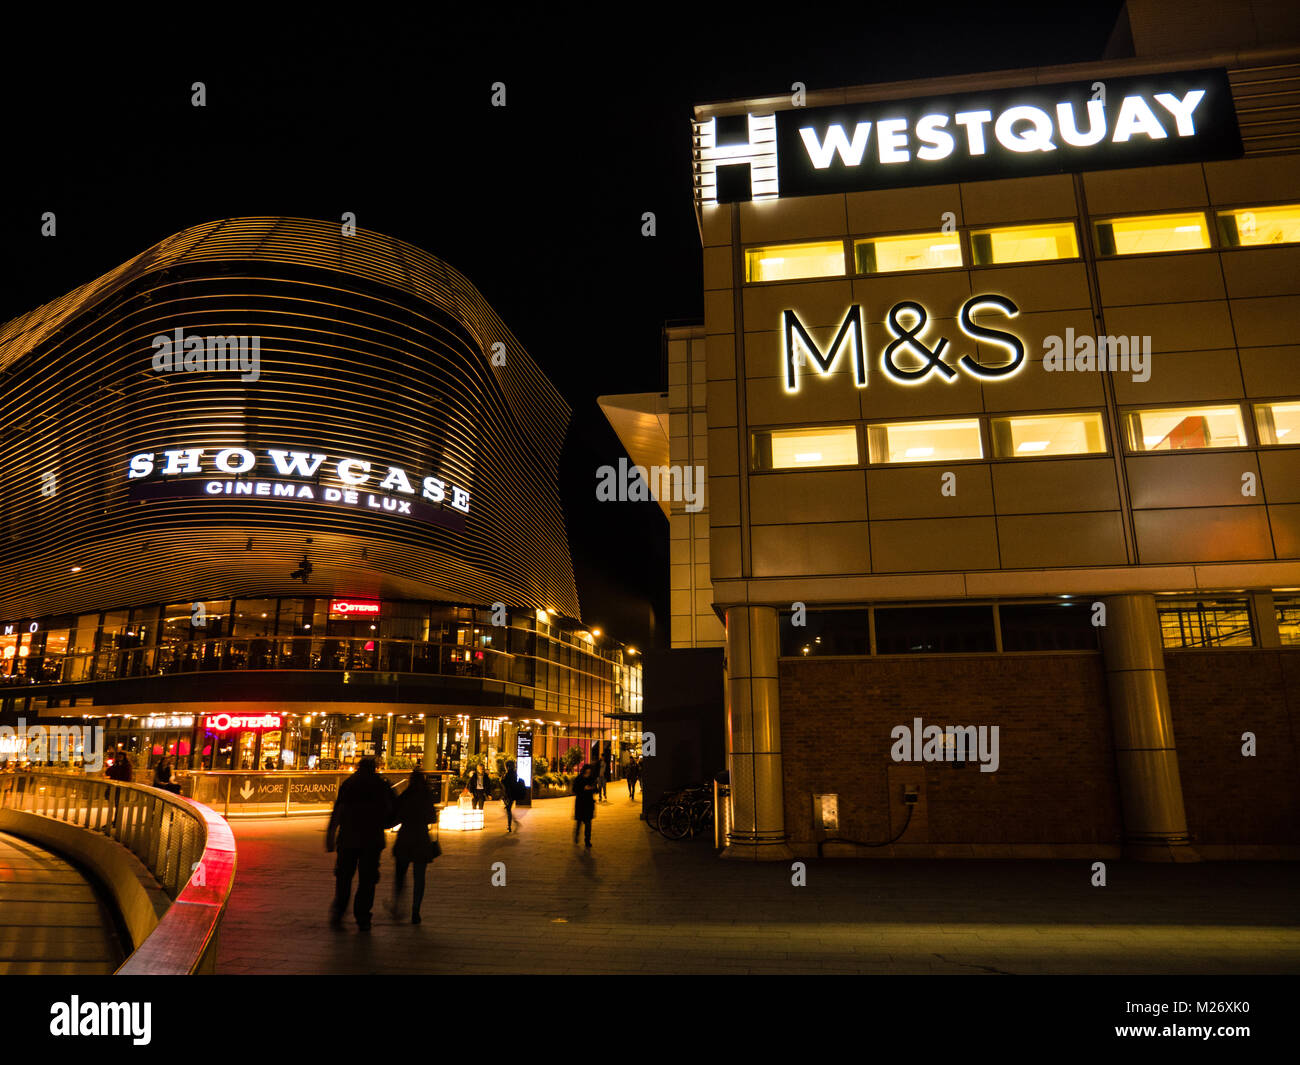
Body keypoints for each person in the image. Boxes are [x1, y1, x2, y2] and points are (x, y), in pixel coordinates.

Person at [325, 758, 397, 931]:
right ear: (374, 768)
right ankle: (363, 916)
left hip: (348, 839)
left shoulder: (349, 784)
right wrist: (384, 824)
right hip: (372, 840)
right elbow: (393, 809)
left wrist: (330, 835)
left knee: (344, 878)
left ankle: (339, 912)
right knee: (367, 880)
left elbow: (338, 810)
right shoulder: (381, 784)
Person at [387, 770, 438, 924]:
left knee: (400, 875)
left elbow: (396, 817)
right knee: (419, 877)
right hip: (421, 839)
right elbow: (432, 818)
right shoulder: (426, 797)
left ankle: (397, 905)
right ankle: (416, 911)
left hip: (405, 838)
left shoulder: (406, 796)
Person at [573, 763, 598, 848]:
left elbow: (596, 789)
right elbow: (574, 789)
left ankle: (587, 840)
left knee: (588, 824)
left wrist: (592, 788)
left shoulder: (592, 779)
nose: (588, 774)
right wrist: (583, 788)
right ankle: (576, 836)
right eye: (586, 772)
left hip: (589, 804)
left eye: (589, 772)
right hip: (580, 803)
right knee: (579, 823)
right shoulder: (579, 779)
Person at [502, 759, 521, 833]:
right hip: (513, 794)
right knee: (508, 809)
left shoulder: (508, 773)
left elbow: (505, 783)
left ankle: (510, 825)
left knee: (508, 810)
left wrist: (502, 779)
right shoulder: (514, 773)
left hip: (509, 794)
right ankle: (511, 824)